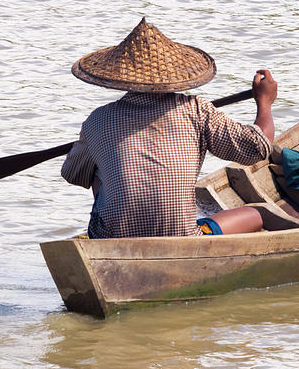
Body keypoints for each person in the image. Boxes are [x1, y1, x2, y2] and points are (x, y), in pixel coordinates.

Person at [61, 18, 277, 238]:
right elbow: (258, 146)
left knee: (95, 171)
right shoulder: (196, 110)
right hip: (182, 238)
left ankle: (122, 229)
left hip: (111, 239)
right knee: (256, 214)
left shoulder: (97, 120)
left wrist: (93, 146)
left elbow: (72, 174)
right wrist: (265, 103)